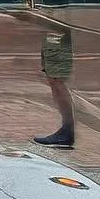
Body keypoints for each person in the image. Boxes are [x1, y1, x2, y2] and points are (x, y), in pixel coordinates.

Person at [31, 19, 76, 149]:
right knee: (53, 78)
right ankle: (66, 129)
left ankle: (67, 130)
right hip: (51, 27)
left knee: (57, 80)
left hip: (57, 29)